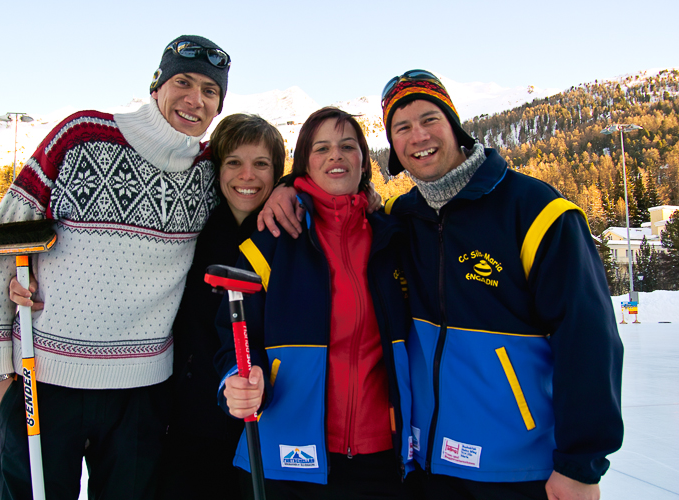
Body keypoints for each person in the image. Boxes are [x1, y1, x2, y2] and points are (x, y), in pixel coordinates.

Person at [258, 71, 624, 500]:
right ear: (392, 146)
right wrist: (287, 189)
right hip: (427, 464)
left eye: (429, 119)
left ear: (455, 125)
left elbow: (588, 339)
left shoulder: (536, 213)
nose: (418, 136)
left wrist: (581, 465)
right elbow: (335, 199)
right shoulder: (401, 220)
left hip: (517, 469)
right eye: (402, 127)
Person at [0, 35, 230, 499]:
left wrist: (287, 191)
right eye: (183, 82)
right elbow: (0, 247)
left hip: (144, 393)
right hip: (45, 381)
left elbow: (259, 181)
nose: (195, 99)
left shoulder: (211, 171)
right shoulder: (81, 134)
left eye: (210, 91)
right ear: (157, 86)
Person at [215, 107, 413, 499]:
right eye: (321, 148)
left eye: (347, 146)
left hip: (382, 456)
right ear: (304, 162)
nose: (335, 156)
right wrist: (234, 384)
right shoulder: (271, 239)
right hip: (286, 456)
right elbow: (233, 335)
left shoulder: (393, 240)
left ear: (364, 159)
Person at [159, 113, 285, 500]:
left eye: (261, 164)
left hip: (267, 413)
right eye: (234, 162)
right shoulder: (191, 229)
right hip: (191, 415)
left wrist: (294, 188)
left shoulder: (285, 233)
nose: (247, 175)